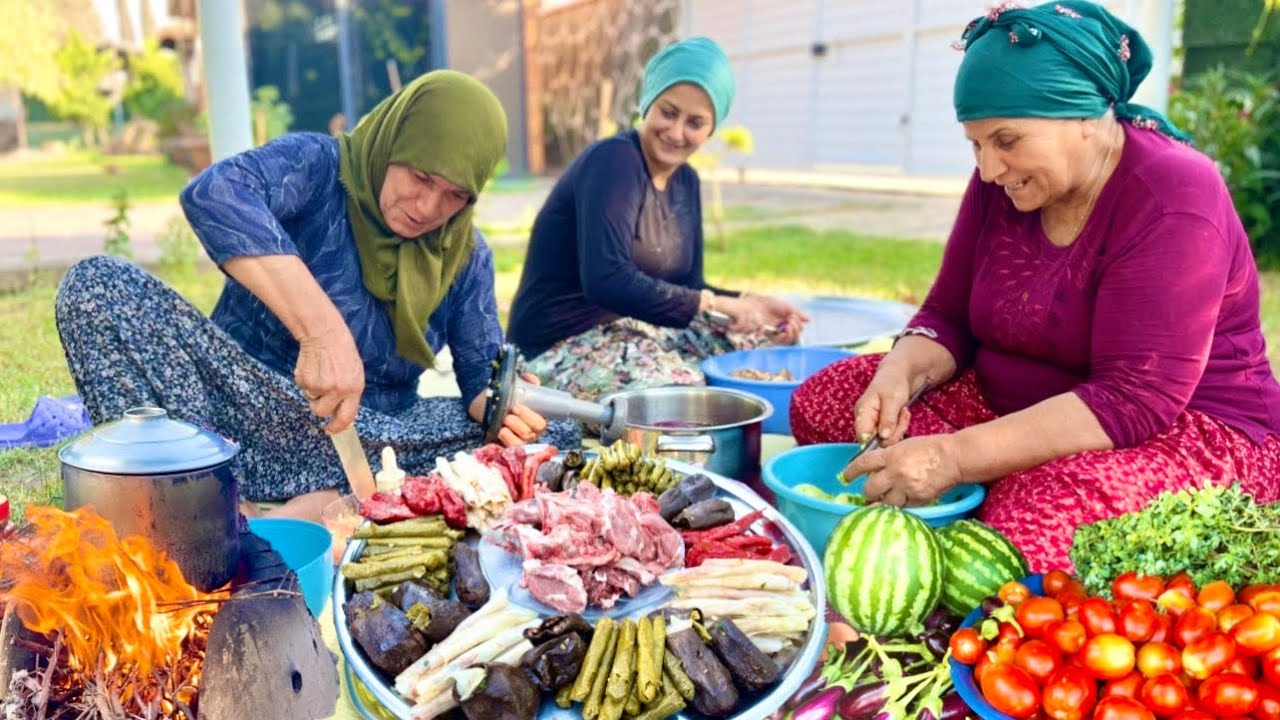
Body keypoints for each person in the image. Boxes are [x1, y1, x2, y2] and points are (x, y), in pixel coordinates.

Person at [789, 1, 1280, 572]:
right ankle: (979, 497)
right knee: (825, 402)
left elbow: (1134, 399)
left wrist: (953, 457)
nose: (991, 168)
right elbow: (947, 314)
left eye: (1006, 140)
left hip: (1182, 429)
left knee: (1032, 524)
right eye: (975, 144)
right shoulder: (1000, 182)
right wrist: (898, 372)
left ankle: (983, 503)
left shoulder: (1173, 195)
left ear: (1084, 118)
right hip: (1015, 404)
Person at [55, 71, 578, 522]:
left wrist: (501, 405)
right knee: (96, 287)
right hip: (228, 410)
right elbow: (215, 194)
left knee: (562, 433)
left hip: (358, 434)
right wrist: (323, 331)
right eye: (420, 176)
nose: (428, 206)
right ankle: (194, 495)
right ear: (394, 141)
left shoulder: (465, 254)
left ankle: (292, 504)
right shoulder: (321, 166)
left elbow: (478, 377)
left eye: (455, 196)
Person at [506, 37, 808, 401]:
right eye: (668, 112)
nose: (677, 132)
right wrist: (720, 305)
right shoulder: (614, 161)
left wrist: (753, 304)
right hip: (558, 344)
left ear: (711, 130)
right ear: (647, 103)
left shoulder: (687, 181)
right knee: (685, 395)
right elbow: (606, 280)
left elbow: (690, 283)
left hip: (632, 332)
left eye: (695, 122)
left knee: (757, 345)